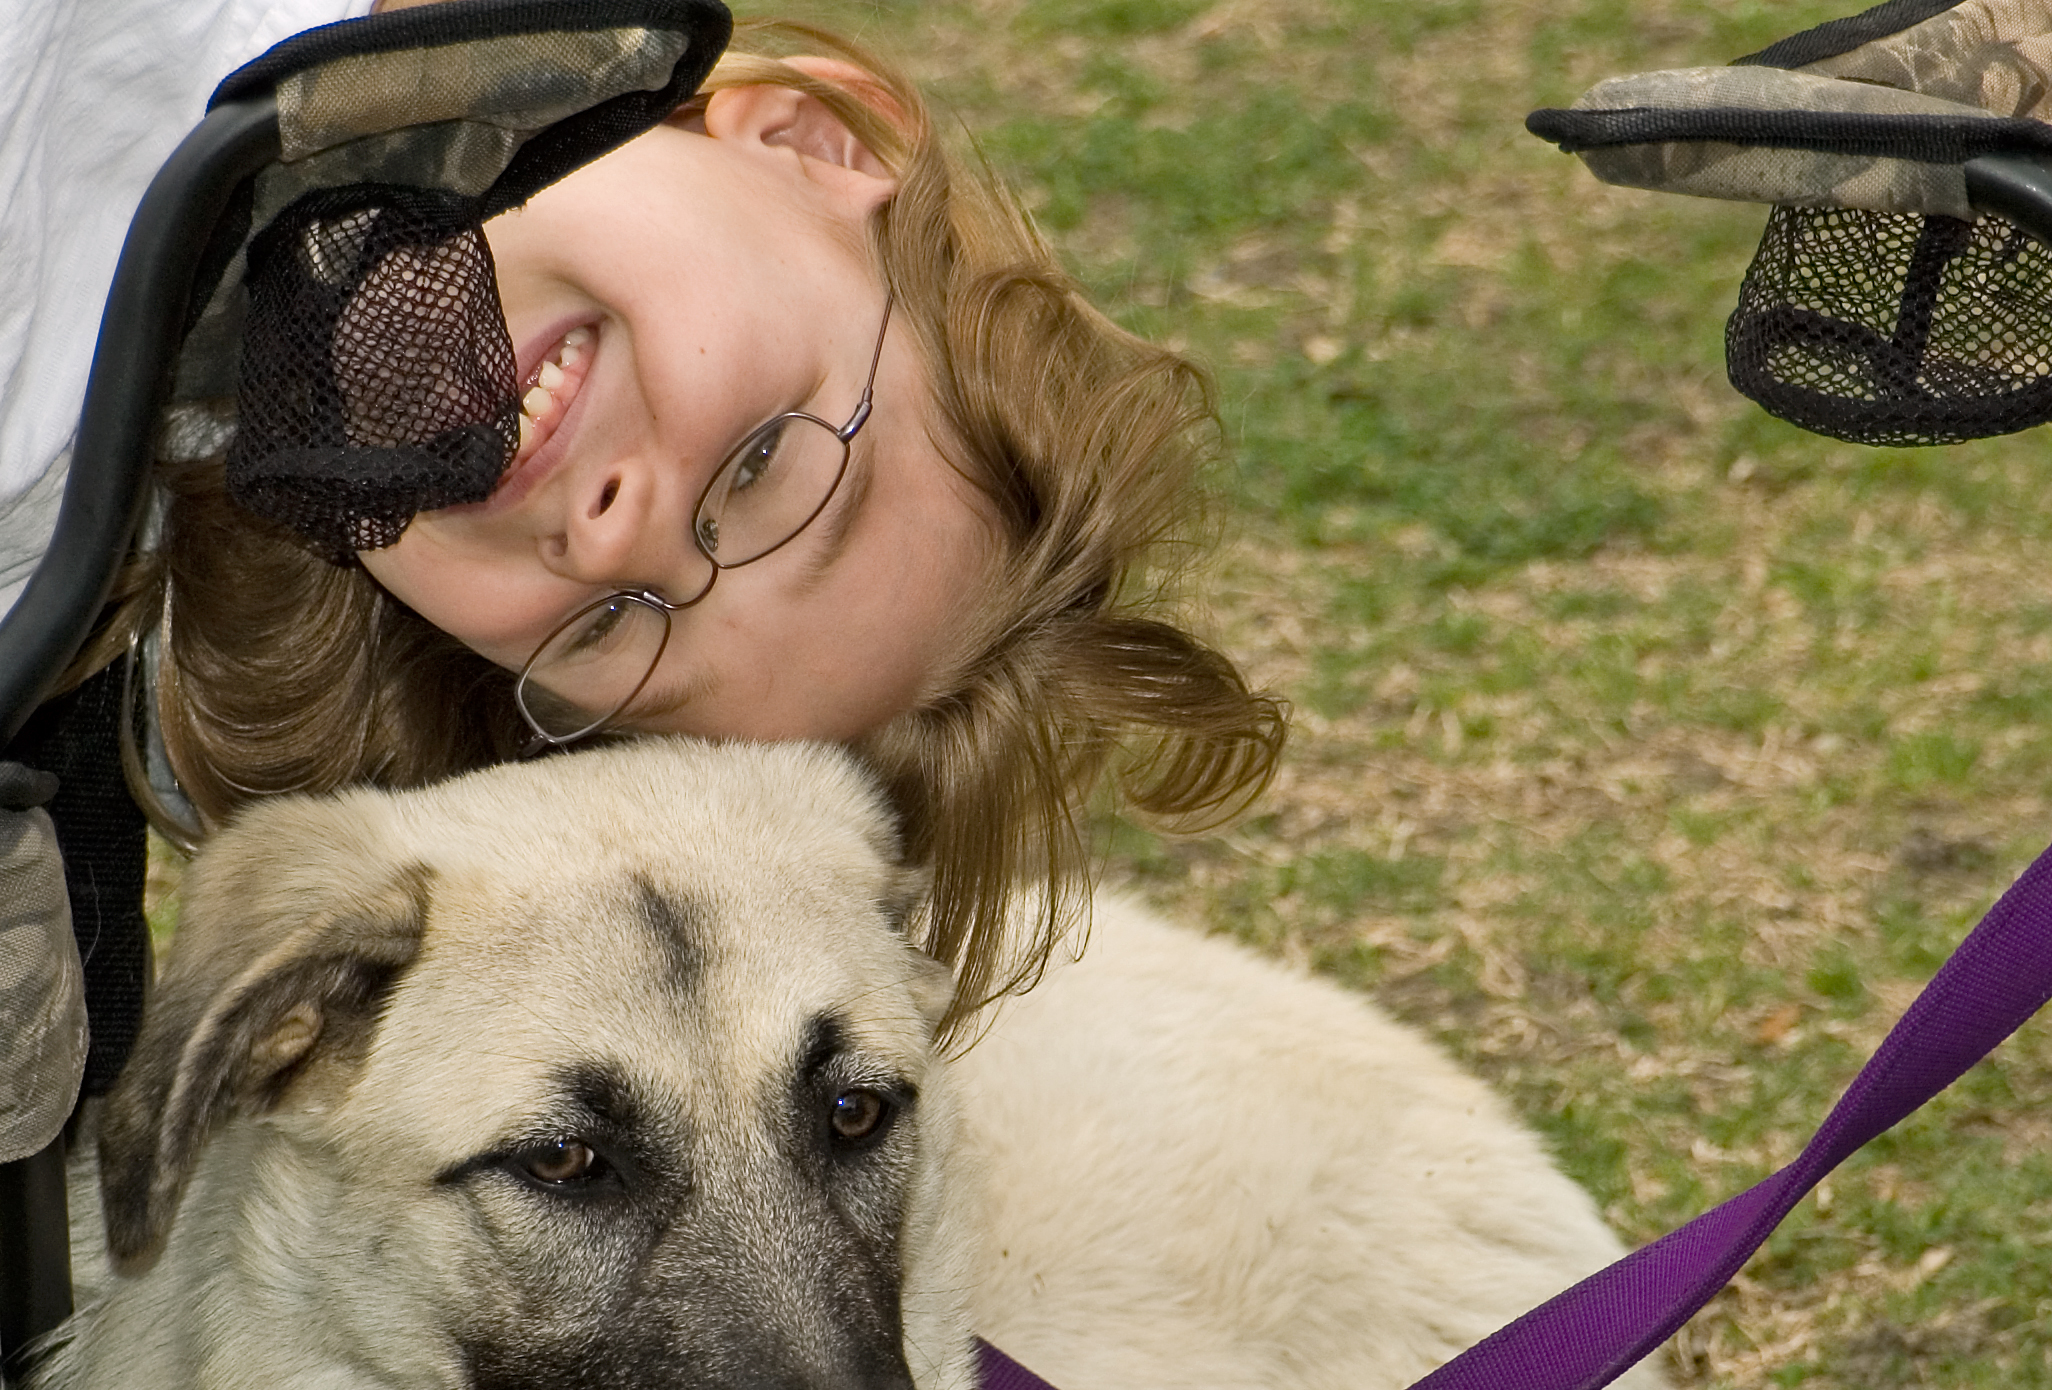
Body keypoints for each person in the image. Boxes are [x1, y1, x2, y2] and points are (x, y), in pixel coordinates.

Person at [4, 0, 1286, 1028]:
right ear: (815, 144)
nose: (612, 538)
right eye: (766, 464)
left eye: (615, 629)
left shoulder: (38, 501)